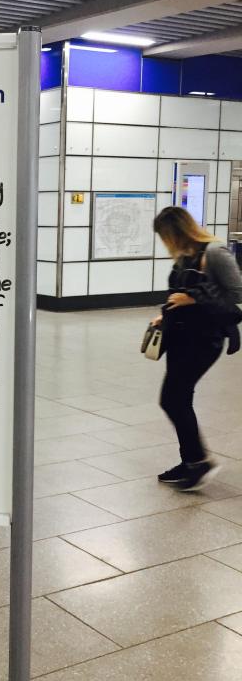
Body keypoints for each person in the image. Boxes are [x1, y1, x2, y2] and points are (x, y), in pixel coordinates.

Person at [153, 206, 242, 491]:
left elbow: (237, 295)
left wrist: (193, 299)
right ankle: (190, 461)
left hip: (204, 340)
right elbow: (177, 295)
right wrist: (165, 313)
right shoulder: (184, 256)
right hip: (179, 336)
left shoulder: (214, 253)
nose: (166, 243)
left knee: (172, 399)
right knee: (178, 399)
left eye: (166, 236)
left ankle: (199, 462)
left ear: (177, 231)